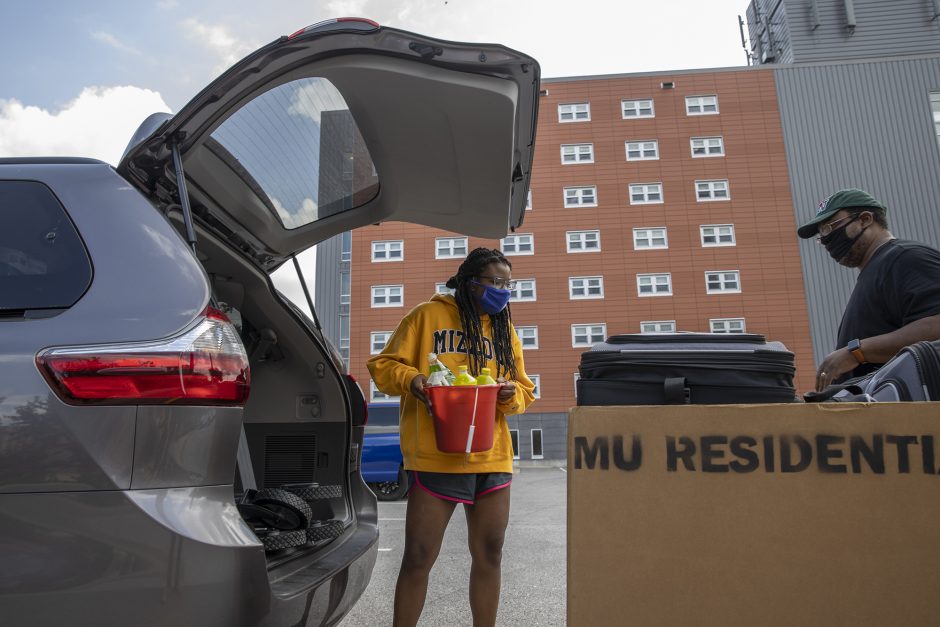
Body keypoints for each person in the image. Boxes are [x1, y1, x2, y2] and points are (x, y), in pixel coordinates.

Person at [367, 246, 536, 627]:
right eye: (496, 282)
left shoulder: (505, 332)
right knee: (419, 555)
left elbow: (525, 390)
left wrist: (511, 395)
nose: (504, 291)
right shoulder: (428, 316)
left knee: (491, 552)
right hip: (435, 456)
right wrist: (414, 381)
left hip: (491, 457)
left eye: (509, 284)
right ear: (471, 283)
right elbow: (382, 366)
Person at [797, 188, 940, 392]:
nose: (827, 240)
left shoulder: (905, 257)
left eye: (829, 228)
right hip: (876, 417)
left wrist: (855, 352)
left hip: (911, 418)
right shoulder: (875, 271)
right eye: (822, 236)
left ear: (864, 219)